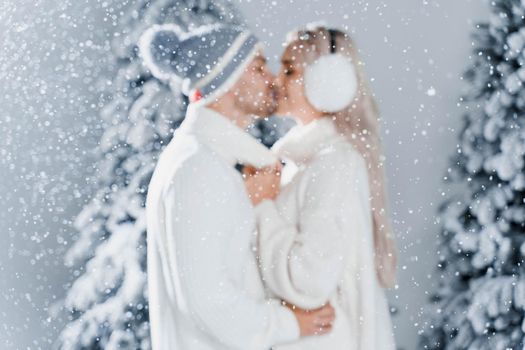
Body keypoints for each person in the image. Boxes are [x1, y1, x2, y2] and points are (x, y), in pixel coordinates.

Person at [139, 23, 335, 350]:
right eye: (258, 67)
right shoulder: (199, 168)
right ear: (225, 82)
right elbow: (209, 301)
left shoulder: (208, 162)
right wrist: (290, 322)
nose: (272, 79)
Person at [247, 24, 398, 349]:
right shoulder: (302, 163)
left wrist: (263, 208)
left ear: (327, 82)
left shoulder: (334, 164)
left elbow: (309, 277)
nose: (276, 80)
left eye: (289, 70)